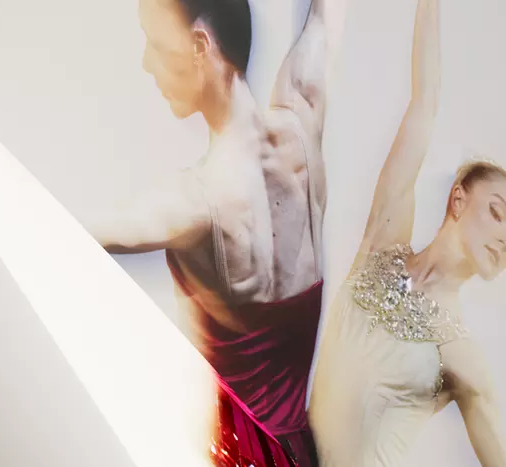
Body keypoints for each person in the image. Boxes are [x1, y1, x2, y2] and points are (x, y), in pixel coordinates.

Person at [84, 0, 331, 464]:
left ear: (200, 46)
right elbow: (325, 16)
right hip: (299, 453)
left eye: (156, 45)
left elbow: (75, 231)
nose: (146, 63)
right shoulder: (303, 120)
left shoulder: (195, 202)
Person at [305, 1, 506, 465]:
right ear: (458, 199)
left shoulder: (461, 355)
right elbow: (425, 102)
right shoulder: (382, 242)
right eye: (498, 212)